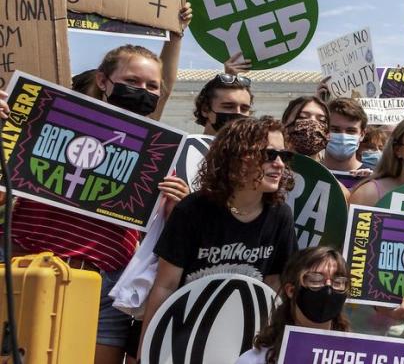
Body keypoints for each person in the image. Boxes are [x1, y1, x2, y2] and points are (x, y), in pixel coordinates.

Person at [4, 43, 191, 364]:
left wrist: (178, 206)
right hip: (26, 263)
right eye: (132, 81)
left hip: (105, 284)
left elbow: (161, 234)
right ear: (104, 81)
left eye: (151, 86)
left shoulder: (160, 154)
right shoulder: (47, 119)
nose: (142, 91)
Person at [143, 117, 297, 348]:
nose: (279, 164)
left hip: (244, 338)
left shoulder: (280, 215)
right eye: (269, 155)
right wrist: (148, 349)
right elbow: (166, 285)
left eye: (283, 156)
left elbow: (273, 287)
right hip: (185, 335)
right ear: (235, 159)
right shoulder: (191, 210)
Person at [237, 246, 351, 363]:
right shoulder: (253, 360)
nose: (328, 288)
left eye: (338, 282)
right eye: (316, 280)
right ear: (291, 290)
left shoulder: (358, 358)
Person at [324, 98, 370, 187]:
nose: (343, 136)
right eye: (335, 129)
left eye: (351, 131)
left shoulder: (373, 180)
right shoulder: (309, 173)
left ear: (362, 134)